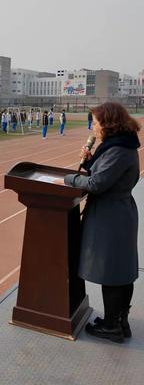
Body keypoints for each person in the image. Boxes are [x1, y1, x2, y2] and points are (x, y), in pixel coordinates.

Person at [61, 102, 140, 343]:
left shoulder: (118, 150)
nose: (93, 127)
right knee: (120, 270)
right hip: (115, 211)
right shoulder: (120, 145)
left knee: (113, 271)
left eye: (95, 123)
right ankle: (118, 321)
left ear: (108, 124)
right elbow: (104, 175)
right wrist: (88, 163)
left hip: (111, 216)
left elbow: (97, 184)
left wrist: (70, 179)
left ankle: (111, 326)